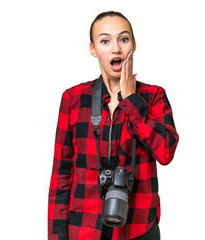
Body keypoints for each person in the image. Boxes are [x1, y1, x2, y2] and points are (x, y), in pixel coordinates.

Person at [48, 11, 179, 240]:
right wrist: (56, 236)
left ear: (134, 45)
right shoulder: (74, 99)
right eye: (105, 41)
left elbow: (166, 152)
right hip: (84, 229)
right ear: (93, 48)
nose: (116, 48)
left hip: (139, 229)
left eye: (124, 39)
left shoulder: (154, 96)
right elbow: (61, 178)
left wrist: (131, 101)